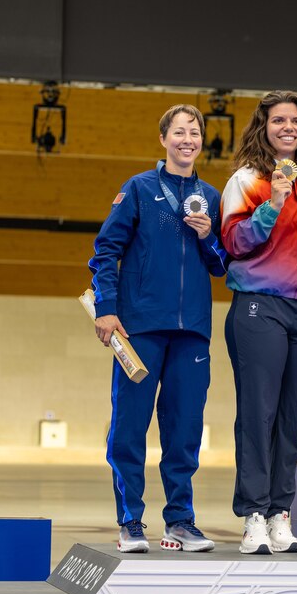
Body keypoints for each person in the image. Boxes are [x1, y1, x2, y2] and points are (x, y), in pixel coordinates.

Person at [88, 104, 228, 553]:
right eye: (180, 132)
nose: (188, 139)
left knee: (185, 429)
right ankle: (130, 521)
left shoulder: (211, 195)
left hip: (192, 333)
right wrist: (106, 309)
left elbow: (222, 265)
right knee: (130, 425)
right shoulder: (138, 189)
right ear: (164, 138)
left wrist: (209, 236)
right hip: (140, 328)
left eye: (195, 132)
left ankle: (181, 522)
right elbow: (105, 251)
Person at [221, 91, 297, 554]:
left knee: (292, 418)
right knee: (258, 413)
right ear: (263, 126)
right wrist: (272, 204)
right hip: (260, 304)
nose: (288, 127)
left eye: (296, 120)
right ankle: (253, 514)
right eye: (278, 120)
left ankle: (280, 512)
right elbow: (233, 241)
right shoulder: (247, 179)